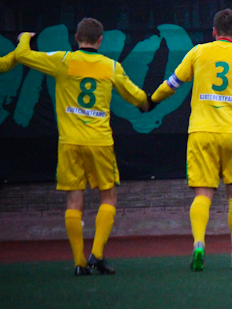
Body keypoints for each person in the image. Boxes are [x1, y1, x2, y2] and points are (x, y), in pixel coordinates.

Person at [14, 18, 149, 276]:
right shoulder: (110, 66)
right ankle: (97, 254)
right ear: (100, 40)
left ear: (76, 38)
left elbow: (22, 56)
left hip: (69, 143)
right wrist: (146, 104)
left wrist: (23, 39)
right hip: (100, 142)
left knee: (74, 199)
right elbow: (136, 96)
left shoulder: (63, 60)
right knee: (108, 196)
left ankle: (79, 263)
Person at [149, 9, 232, 271]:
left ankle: (199, 243)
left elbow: (172, 84)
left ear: (214, 32)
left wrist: (151, 101)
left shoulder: (198, 52)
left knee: (203, 194)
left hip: (201, 132)